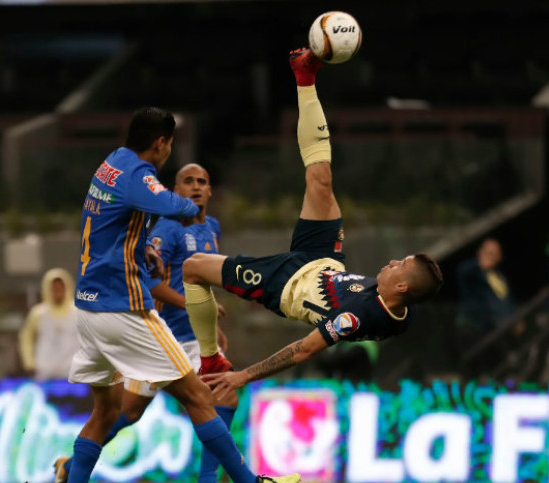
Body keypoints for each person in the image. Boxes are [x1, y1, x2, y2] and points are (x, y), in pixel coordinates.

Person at [53, 107, 299, 483]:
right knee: (200, 397)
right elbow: (175, 206)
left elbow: (119, 221)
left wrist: (144, 244)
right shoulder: (139, 173)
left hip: (89, 308)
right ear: (162, 143)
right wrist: (182, 207)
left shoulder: (112, 162)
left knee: (109, 411)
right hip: (124, 309)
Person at [182, 48, 443, 396]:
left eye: (401, 265)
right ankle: (305, 77)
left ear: (401, 288)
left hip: (286, 284)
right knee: (321, 178)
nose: (393, 262)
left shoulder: (358, 316)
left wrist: (243, 376)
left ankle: (210, 358)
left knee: (193, 268)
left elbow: (303, 350)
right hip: (324, 261)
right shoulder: (399, 308)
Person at [52, 162, 242, 483]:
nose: (196, 187)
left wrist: (209, 328)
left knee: (136, 410)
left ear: (211, 191)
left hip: (188, 336)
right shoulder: (167, 229)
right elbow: (151, 281)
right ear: (175, 190)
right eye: (188, 181)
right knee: (220, 395)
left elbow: (201, 285)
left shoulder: (212, 228)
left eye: (203, 181)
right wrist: (187, 305)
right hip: (160, 332)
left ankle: (72, 467)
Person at [455, 239, 521, 377]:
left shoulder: (500, 278)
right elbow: (462, 272)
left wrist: (515, 318)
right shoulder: (472, 271)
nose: (491, 256)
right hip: (471, 325)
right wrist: (479, 265)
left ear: (499, 257)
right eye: (488, 253)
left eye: (494, 253)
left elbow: (506, 300)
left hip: (493, 330)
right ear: (480, 253)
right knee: (472, 367)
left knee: (498, 367)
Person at [18, 268, 79, 381]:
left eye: (61, 287)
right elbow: (26, 338)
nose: (58, 291)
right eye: (54, 288)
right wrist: (29, 362)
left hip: (72, 372)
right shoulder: (38, 313)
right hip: (44, 372)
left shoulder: (78, 311)